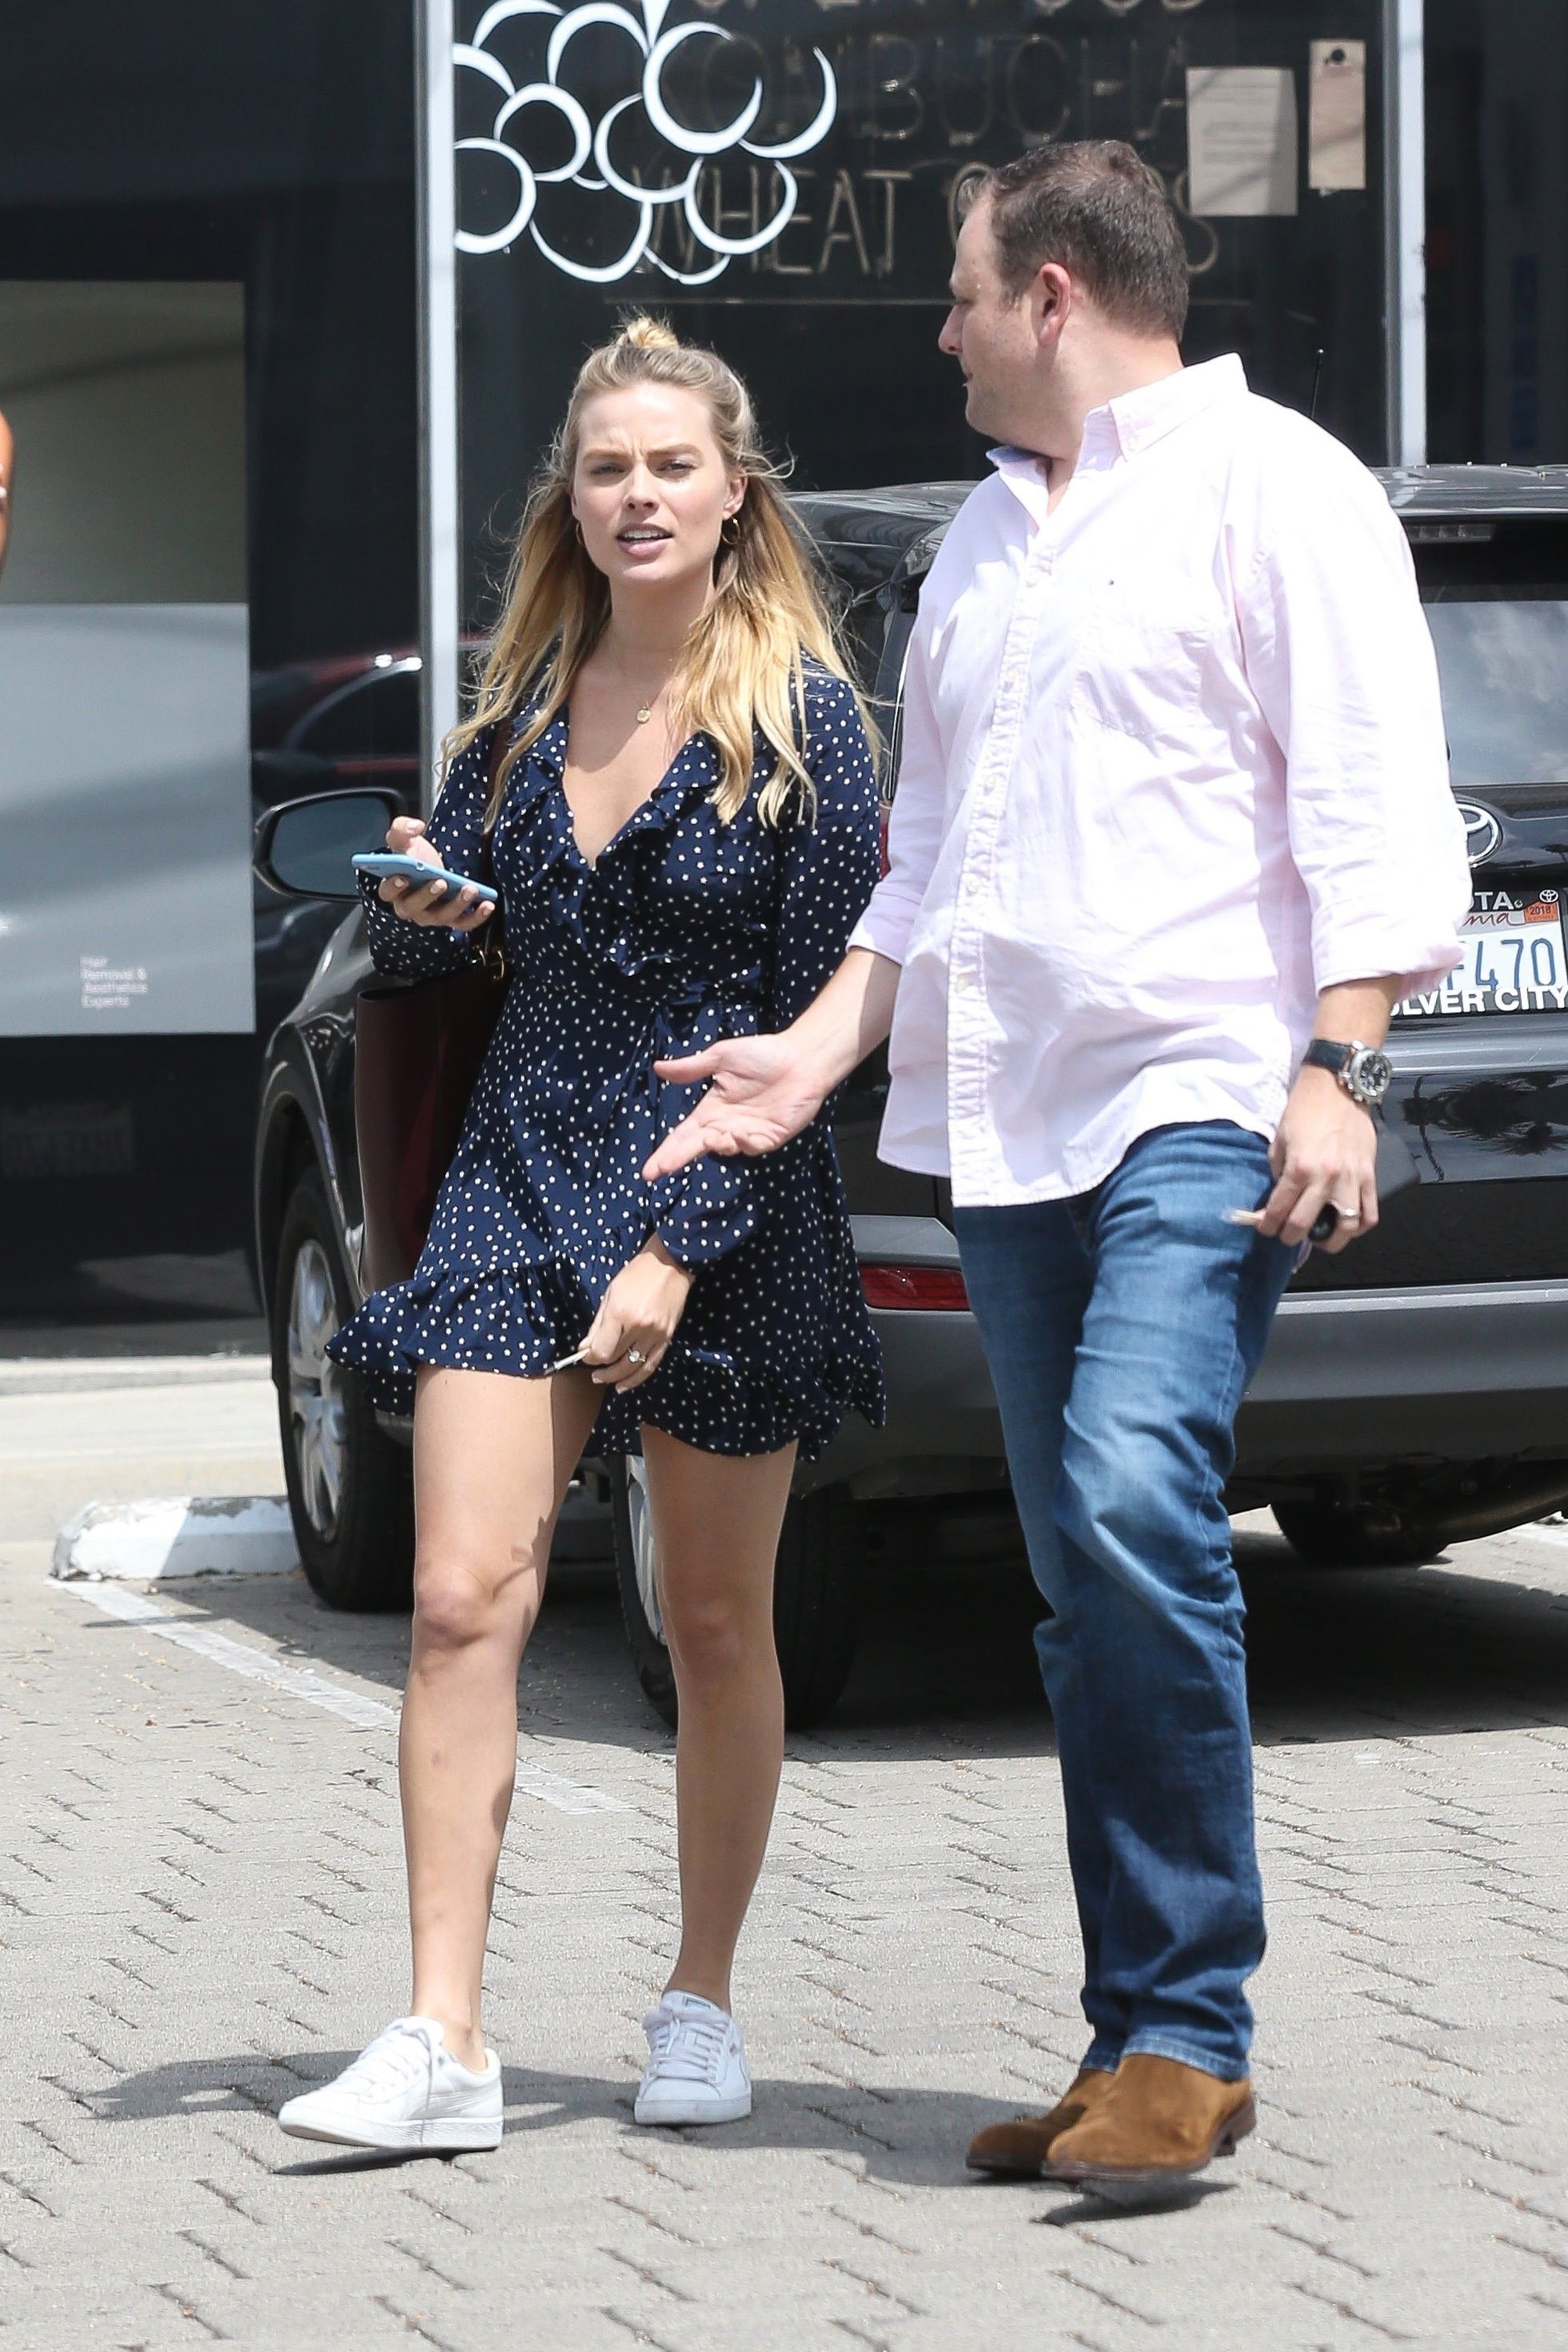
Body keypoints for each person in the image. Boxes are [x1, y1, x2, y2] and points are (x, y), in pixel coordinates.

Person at [645, 144, 1471, 2186]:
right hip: (1007, 1124)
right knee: (1082, 1570)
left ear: (1053, 296)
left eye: (958, 293)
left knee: (1126, 1493)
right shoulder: (984, 547)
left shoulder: (1283, 488)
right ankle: (1129, 2046)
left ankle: (1191, 2023)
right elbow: (929, 861)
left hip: (1206, 1090)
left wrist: (1340, 1066)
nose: (937, 333)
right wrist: (810, 1057)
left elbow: (1375, 797)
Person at [277, 317, 884, 2155]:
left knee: (711, 1618)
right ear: (572, 498)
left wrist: (676, 1243)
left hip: (726, 1191)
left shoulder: (811, 729)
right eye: (608, 468)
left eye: (671, 466)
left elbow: (815, 1034)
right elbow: (452, 968)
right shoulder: (515, 719)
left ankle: (700, 1998)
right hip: (522, 1175)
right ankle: (443, 2036)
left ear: (734, 492)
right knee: (462, 1596)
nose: (638, 495)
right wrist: (427, 914)